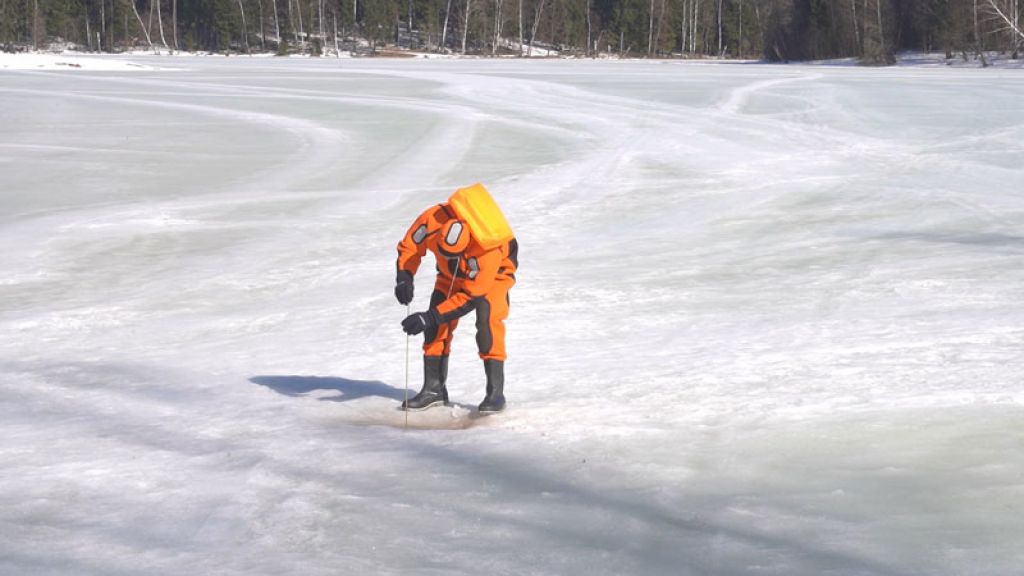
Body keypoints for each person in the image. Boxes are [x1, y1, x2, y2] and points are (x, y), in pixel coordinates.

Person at [395, 185, 518, 413]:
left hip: (492, 278)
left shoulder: (486, 250)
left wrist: (428, 317)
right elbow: (411, 246)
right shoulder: (433, 219)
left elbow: (470, 296)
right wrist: (405, 276)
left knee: (488, 324)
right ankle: (434, 390)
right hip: (448, 275)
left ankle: (495, 394)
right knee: (436, 329)